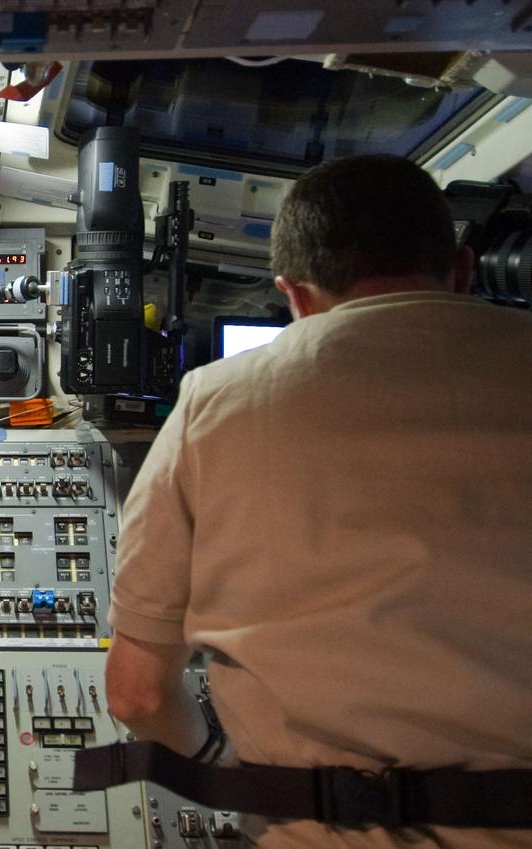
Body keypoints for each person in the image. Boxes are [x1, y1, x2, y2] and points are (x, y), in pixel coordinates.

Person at [103, 154, 532, 847]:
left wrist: (223, 762)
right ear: (461, 270)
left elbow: (138, 693)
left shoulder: (215, 401)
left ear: (293, 298)